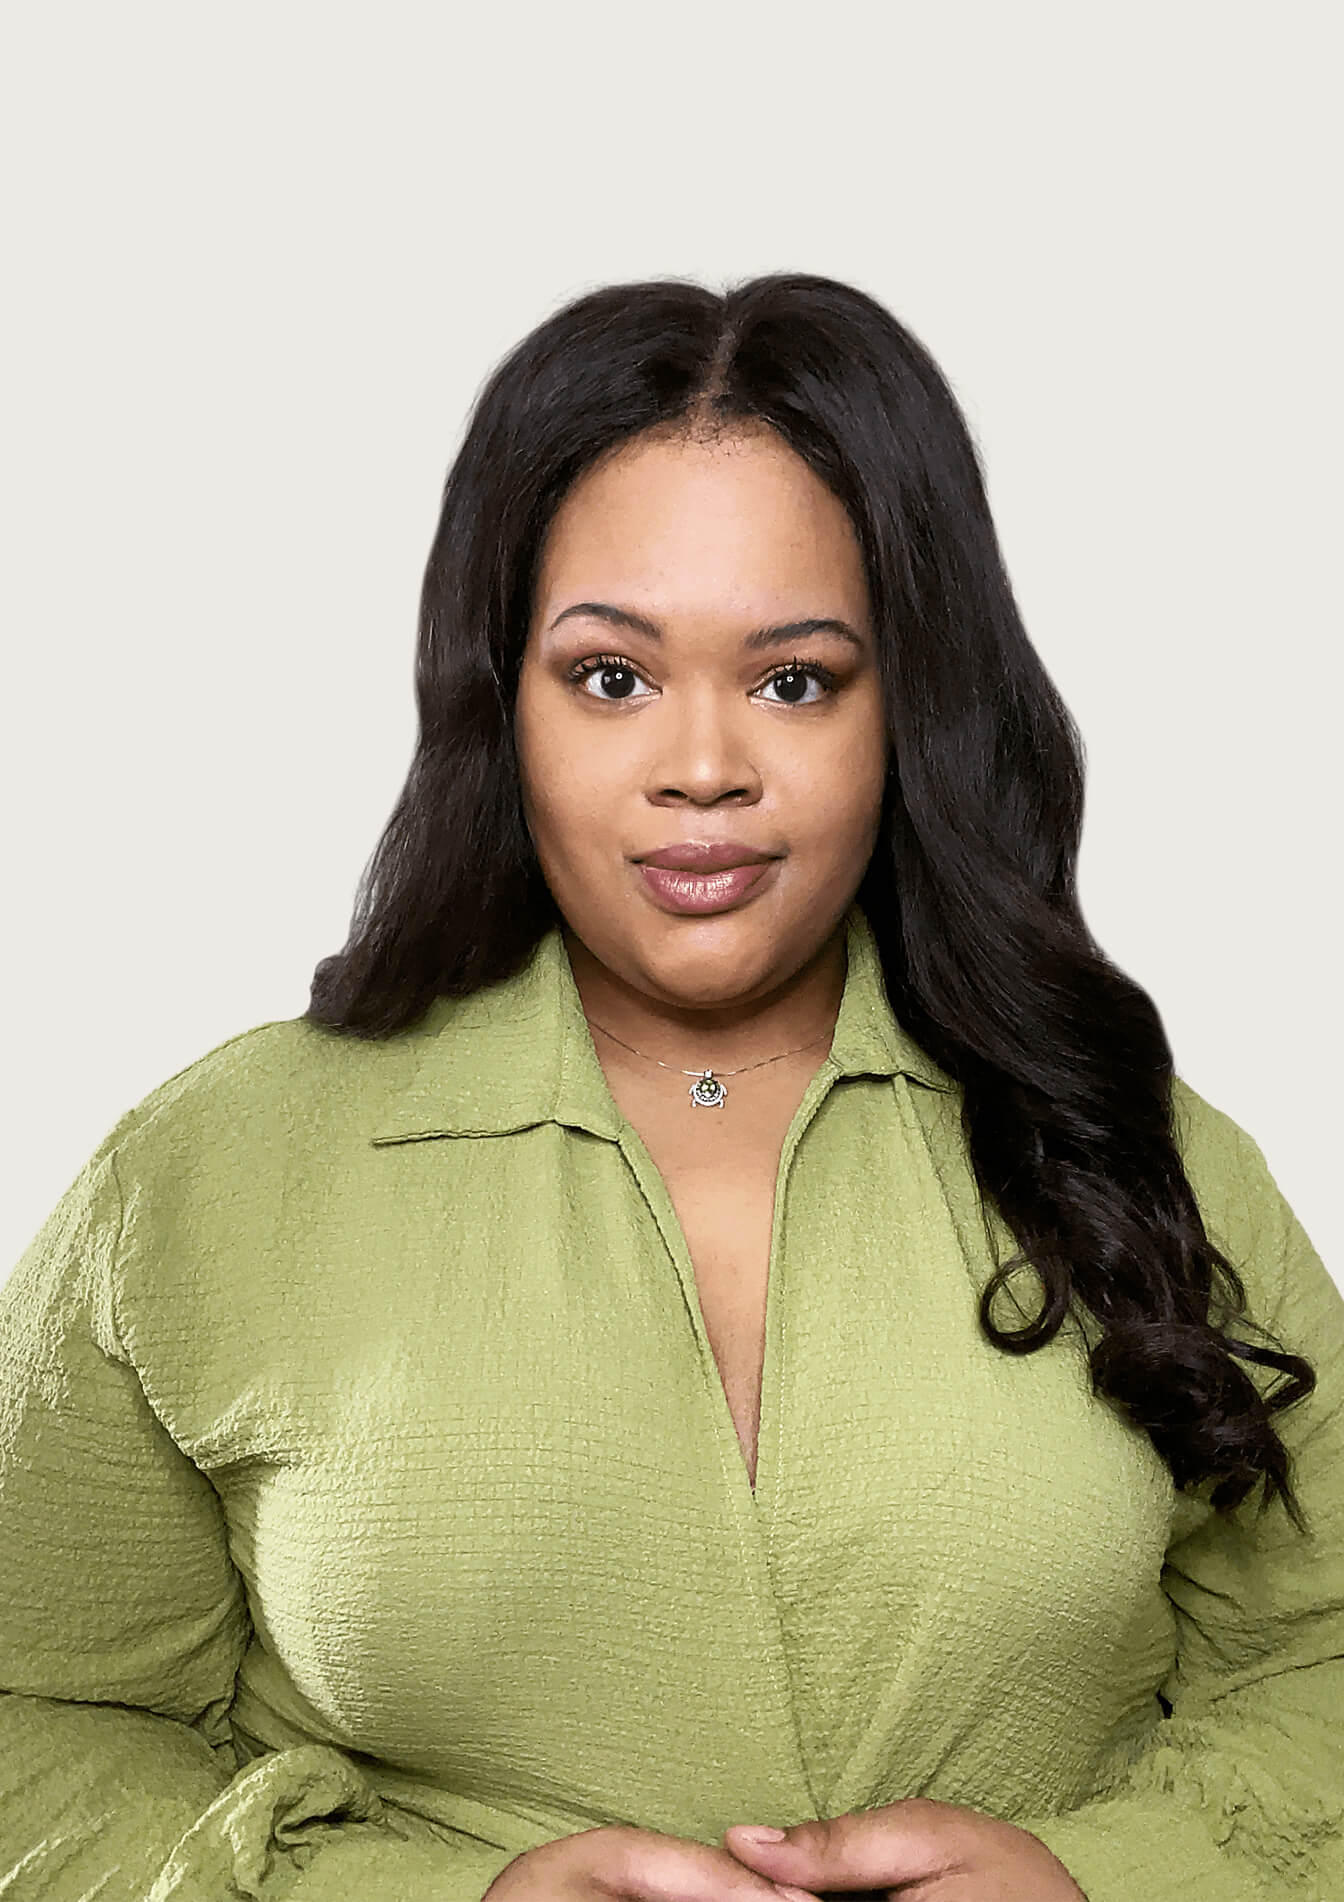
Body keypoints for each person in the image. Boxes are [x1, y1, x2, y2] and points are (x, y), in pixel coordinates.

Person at [2, 272, 1340, 1902]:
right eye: (613, 675)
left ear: (909, 703)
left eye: (796, 679)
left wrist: (1107, 1884)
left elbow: (1320, 1670)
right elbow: (42, 1721)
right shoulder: (209, 1172)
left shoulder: (1151, 1151)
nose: (703, 764)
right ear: (501, 695)